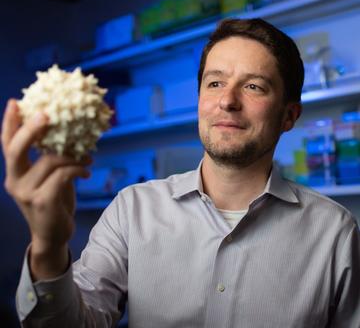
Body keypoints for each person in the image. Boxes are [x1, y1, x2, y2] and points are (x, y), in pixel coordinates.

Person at [2, 18, 360, 328]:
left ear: (289, 116)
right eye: (215, 82)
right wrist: (48, 247)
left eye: (254, 86)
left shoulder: (334, 233)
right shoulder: (132, 210)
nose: (227, 100)